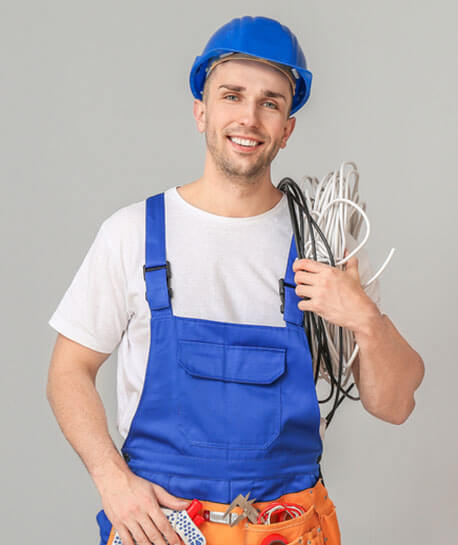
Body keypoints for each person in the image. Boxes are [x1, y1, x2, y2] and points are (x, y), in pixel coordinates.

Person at [46, 15, 425, 545]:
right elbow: (68, 371)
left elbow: (395, 404)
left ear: (287, 128)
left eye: (270, 102)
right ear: (201, 111)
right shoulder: (132, 233)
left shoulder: (321, 246)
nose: (249, 117)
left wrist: (363, 316)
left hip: (289, 530)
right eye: (232, 96)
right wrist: (112, 481)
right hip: (162, 530)